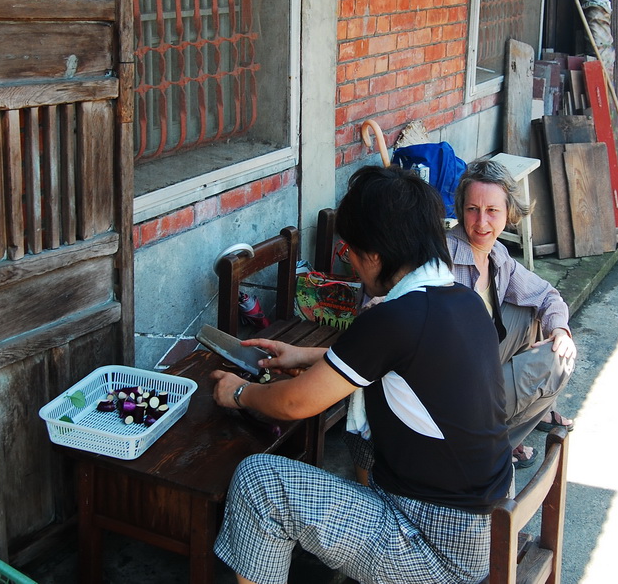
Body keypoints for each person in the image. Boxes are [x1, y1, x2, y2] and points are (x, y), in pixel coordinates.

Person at [210, 165, 512, 584]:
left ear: (375, 253)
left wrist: (239, 392)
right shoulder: (461, 300)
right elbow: (396, 364)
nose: (348, 261)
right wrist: (304, 356)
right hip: (483, 529)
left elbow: (294, 403)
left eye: (349, 250)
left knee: (259, 483)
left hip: (435, 550)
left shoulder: (394, 317)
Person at [447, 159, 577, 469]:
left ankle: (502, 437)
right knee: (557, 364)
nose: (481, 223)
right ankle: (491, 449)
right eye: (472, 210)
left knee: (530, 310)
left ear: (509, 214)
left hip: (480, 366)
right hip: (454, 387)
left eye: (492, 211)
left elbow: (547, 295)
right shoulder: (444, 256)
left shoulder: (497, 255)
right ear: (461, 210)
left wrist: (559, 330)